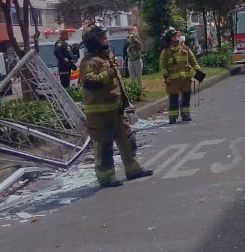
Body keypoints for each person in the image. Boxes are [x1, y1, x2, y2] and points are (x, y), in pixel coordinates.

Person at [79, 24, 153, 188]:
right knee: (104, 145)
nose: (107, 39)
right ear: (93, 42)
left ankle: (133, 169)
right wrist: (109, 73)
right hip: (100, 114)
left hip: (117, 109)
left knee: (128, 138)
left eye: (105, 36)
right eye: (102, 37)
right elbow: (89, 82)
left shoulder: (107, 57)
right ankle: (106, 177)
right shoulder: (89, 62)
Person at [159, 28, 202, 124]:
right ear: (169, 38)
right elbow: (162, 66)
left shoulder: (185, 48)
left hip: (186, 78)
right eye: (174, 36)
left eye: (177, 35)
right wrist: (166, 77)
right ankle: (172, 117)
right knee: (173, 99)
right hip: (173, 80)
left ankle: (185, 115)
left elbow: (193, 61)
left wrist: (198, 71)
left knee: (186, 97)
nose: (176, 37)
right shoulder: (165, 51)